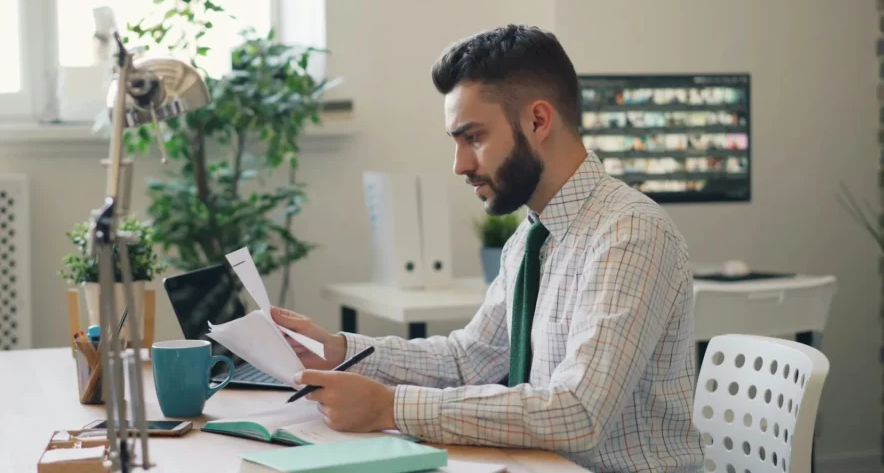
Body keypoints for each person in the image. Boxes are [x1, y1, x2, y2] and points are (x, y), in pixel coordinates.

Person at [271, 25, 704, 472]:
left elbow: (578, 413)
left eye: (473, 137)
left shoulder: (629, 233)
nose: (460, 164)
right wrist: (342, 351)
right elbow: (467, 360)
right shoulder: (531, 238)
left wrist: (390, 408)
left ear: (538, 121)